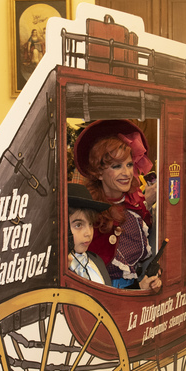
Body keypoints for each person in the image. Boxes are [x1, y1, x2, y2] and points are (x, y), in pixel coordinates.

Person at [74, 120, 159, 289]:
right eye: (117, 166)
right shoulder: (87, 211)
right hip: (102, 293)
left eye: (129, 164)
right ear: (99, 172)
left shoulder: (134, 202)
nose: (126, 172)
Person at [67, 182, 162, 290]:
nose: (88, 232)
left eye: (90, 224)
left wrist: (140, 287)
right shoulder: (60, 269)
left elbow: (109, 300)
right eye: (78, 225)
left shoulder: (96, 261)